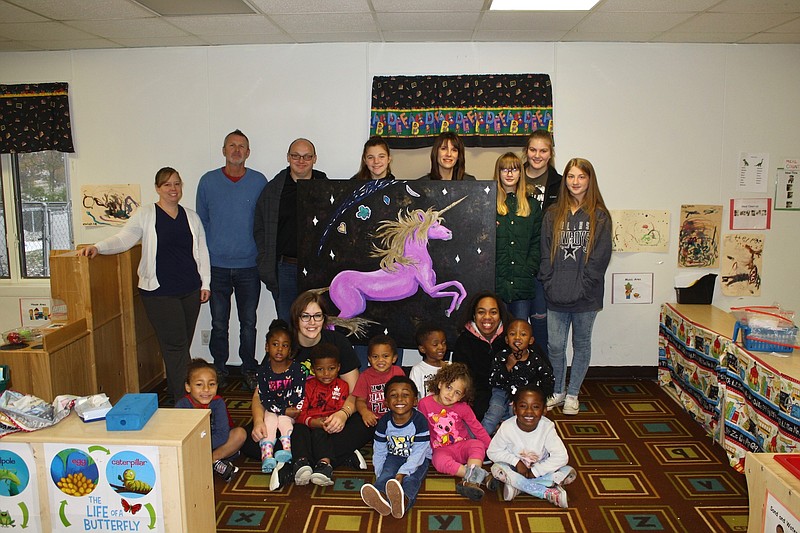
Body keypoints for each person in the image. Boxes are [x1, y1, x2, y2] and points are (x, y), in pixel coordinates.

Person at [79, 167, 210, 404]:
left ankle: (178, 394)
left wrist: (206, 283)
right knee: (176, 346)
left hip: (190, 290)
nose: (173, 189)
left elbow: (202, 251)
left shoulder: (191, 216)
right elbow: (123, 238)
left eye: (177, 184)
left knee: (180, 346)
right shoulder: (146, 214)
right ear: (158, 188)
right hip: (160, 293)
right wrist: (98, 247)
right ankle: (185, 398)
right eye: (167, 184)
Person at [539, 158, 612, 415]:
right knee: (555, 345)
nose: (575, 182)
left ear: (589, 180)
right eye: (571, 176)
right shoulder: (552, 214)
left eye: (581, 177)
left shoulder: (600, 216)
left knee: (581, 344)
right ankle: (558, 390)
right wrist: (549, 283)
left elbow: (600, 258)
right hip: (556, 294)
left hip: (586, 296)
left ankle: (573, 393)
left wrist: (584, 287)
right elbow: (545, 252)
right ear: (565, 180)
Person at [197, 129, 267, 391]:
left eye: (242, 147)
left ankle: (249, 367)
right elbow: (201, 224)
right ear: (223, 150)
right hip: (217, 267)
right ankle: (219, 369)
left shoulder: (259, 181)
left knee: (249, 322)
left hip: (249, 266)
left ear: (248, 153)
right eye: (232, 146)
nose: (237, 150)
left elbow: (264, 222)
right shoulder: (207, 182)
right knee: (218, 323)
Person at [254, 138, 327, 322]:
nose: (301, 161)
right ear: (288, 157)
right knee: (287, 322)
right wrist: (264, 260)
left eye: (306, 156)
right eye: (296, 156)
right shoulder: (273, 190)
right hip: (286, 268)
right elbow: (260, 227)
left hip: (316, 269)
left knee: (316, 322)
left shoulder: (326, 188)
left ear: (314, 158)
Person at [487, 385, 576, 507]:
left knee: (566, 469)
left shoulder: (547, 428)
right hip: (515, 470)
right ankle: (546, 492)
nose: (529, 411)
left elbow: (561, 456)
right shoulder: (507, 427)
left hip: (539, 468)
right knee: (496, 469)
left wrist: (536, 471)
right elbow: (492, 452)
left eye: (536, 407)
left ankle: (518, 487)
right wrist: (517, 462)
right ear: (515, 409)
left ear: (544, 410)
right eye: (523, 406)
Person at [292, 343, 364, 486]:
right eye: (320, 369)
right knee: (298, 430)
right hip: (309, 423)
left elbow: (340, 411)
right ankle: (301, 463)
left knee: (323, 434)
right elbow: (299, 414)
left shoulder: (343, 386)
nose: (326, 374)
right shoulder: (307, 386)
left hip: (329, 427)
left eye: (331, 369)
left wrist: (333, 421)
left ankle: (324, 465)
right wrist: (313, 422)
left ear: (338, 367)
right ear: (313, 370)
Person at [418, 363, 492, 501]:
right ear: (440, 384)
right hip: (442, 450)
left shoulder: (463, 408)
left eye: (457, 392)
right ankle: (479, 476)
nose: (451, 394)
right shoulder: (424, 404)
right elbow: (421, 428)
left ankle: (472, 481)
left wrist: (493, 449)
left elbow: (477, 429)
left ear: (462, 396)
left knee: (477, 445)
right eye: (449, 387)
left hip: (463, 446)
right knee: (437, 461)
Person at [360, 376, 431, 519]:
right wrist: (379, 471)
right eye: (393, 395)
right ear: (386, 402)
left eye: (405, 395)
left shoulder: (420, 421)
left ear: (415, 400)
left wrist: (403, 472)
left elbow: (419, 451)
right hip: (394, 456)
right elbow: (379, 449)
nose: (399, 399)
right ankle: (380, 496)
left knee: (411, 479)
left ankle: (404, 501)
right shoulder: (384, 422)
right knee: (387, 473)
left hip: (419, 459)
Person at [175, 359, 246, 482]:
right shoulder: (182, 406)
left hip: (216, 445)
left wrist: (202, 450)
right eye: (199, 384)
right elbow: (178, 436)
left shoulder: (218, 403)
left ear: (217, 386)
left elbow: (223, 435)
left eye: (211, 384)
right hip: (192, 447)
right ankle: (214, 464)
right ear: (188, 387)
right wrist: (196, 448)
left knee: (240, 434)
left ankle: (210, 461)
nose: (206, 389)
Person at [523, 131, 562, 356]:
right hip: (516, 264)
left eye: (543, 151)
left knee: (540, 324)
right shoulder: (513, 176)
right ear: (526, 152)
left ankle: (541, 379)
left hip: (545, 265)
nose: (537, 155)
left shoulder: (559, 183)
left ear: (550, 154)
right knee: (516, 327)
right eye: (533, 150)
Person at [250, 319, 305, 473]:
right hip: (272, 408)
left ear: (290, 349)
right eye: (275, 344)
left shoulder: (297, 369)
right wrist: (281, 409)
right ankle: (267, 454)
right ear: (267, 347)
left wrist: (287, 409)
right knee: (269, 420)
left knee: (284, 420)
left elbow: (299, 393)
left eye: (285, 345)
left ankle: (286, 450)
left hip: (292, 409)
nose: (280, 349)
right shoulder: (263, 371)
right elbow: (264, 397)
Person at [482, 319, 554, 435]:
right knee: (494, 413)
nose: (517, 337)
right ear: (506, 339)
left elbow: (548, 377)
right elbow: (493, 380)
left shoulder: (536, 359)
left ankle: (512, 440)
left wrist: (539, 394)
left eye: (523, 334)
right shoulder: (501, 356)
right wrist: (507, 367)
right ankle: (478, 441)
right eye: (512, 334)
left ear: (531, 340)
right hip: (501, 391)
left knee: (515, 415)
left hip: (523, 396)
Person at [494, 152, 543, 321]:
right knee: (498, 336)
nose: (509, 174)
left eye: (514, 169)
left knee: (520, 333)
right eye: (504, 169)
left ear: (520, 173)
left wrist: (529, 269)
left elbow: (537, 242)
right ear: (498, 173)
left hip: (523, 283)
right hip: (497, 283)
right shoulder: (489, 205)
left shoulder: (533, 206)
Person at [452, 291, 510, 422]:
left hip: (508, 392)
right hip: (478, 395)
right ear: (474, 315)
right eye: (481, 312)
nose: (487, 317)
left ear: (501, 315)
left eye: (493, 312)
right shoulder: (464, 341)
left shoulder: (512, 336)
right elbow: (461, 379)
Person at [353, 335, 406, 428]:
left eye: (385, 356)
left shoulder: (398, 372)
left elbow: (404, 394)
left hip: (395, 418)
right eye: (375, 357)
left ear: (394, 358)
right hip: (373, 419)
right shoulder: (364, 376)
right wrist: (365, 413)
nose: (380, 360)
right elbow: (360, 401)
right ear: (369, 359)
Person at [409, 323, 449, 397]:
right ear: (422, 349)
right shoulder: (417, 370)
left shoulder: (450, 367)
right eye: (435, 344)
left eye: (443, 343)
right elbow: (413, 396)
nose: (441, 347)